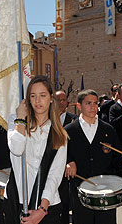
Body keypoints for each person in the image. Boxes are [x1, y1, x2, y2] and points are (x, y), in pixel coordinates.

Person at [65, 89, 122, 224]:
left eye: (95, 103)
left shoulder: (108, 130)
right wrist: (68, 162)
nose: (93, 107)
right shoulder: (68, 131)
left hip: (106, 191)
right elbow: (60, 156)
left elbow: (116, 157)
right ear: (79, 106)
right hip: (80, 192)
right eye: (88, 103)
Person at [5, 75, 68, 224]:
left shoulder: (60, 134)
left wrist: (42, 210)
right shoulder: (15, 121)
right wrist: (21, 119)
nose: (37, 101)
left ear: (51, 98)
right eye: (33, 96)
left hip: (48, 206)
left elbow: (55, 175)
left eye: (42, 95)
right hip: (17, 201)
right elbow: (17, 148)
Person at [54, 90, 75, 224]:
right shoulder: (46, 120)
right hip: (52, 168)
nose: (61, 103)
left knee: (66, 203)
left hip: (67, 170)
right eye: (58, 100)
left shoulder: (74, 120)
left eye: (64, 100)